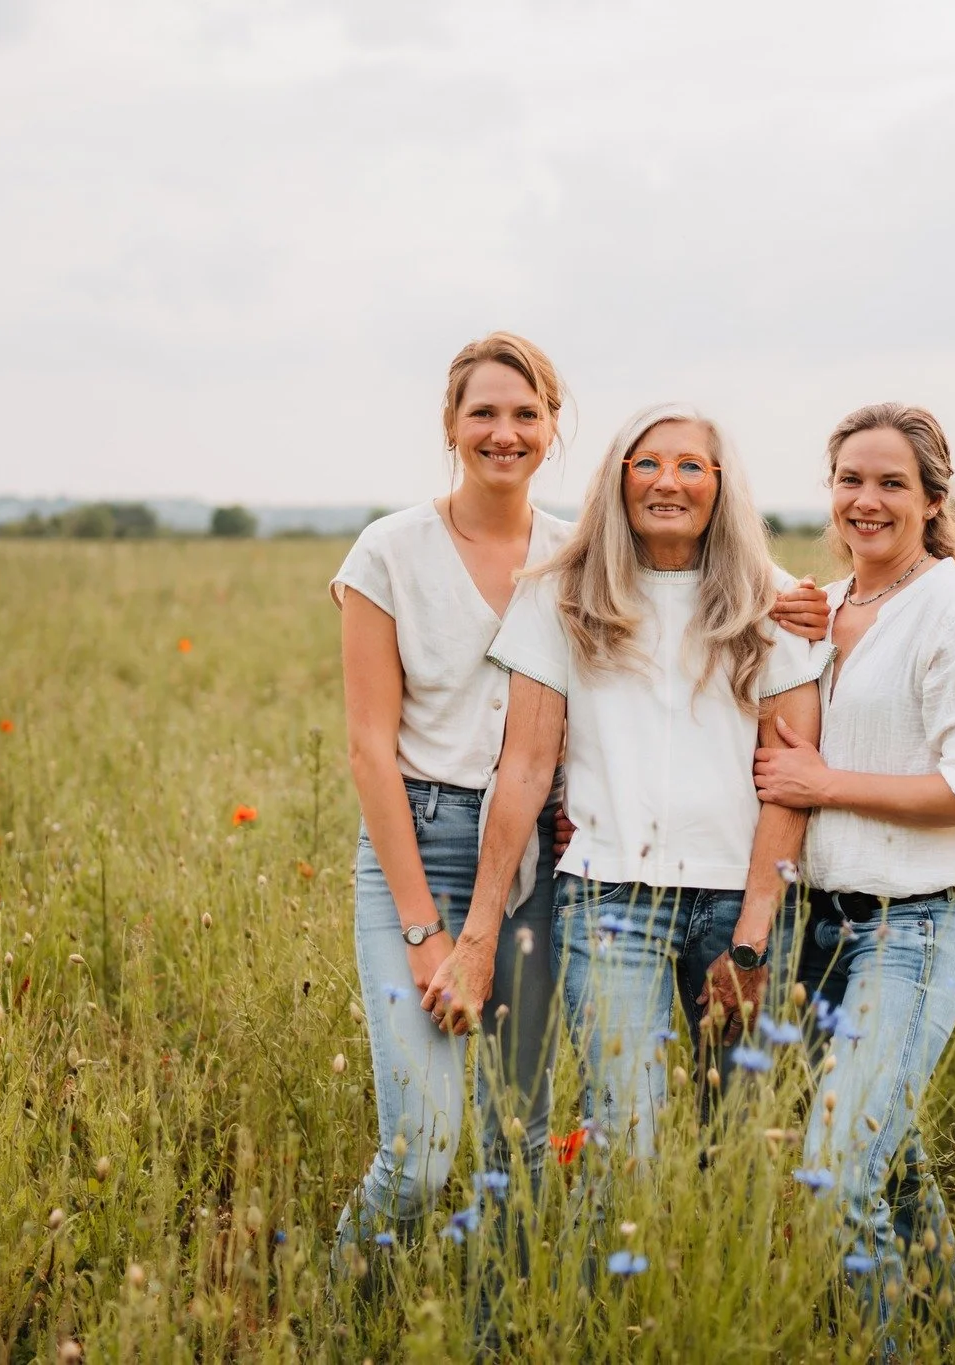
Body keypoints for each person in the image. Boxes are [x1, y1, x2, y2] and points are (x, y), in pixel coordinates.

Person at [424, 402, 829, 1167]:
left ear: (720, 485)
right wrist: (479, 934)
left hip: (739, 906)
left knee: (734, 1149)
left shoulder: (772, 601)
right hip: (610, 905)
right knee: (629, 1145)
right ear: (617, 481)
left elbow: (790, 783)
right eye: (645, 464)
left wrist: (749, 946)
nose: (665, 482)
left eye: (688, 466)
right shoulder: (565, 594)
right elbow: (525, 766)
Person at [753, 402, 955, 1322]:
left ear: (933, 497)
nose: (867, 501)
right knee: (892, 1175)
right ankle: (947, 1334)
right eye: (851, 481)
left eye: (891, 483)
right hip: (819, 932)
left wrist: (826, 782)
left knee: (834, 1173)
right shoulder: (825, 608)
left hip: (913, 925)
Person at [330, 331, 571, 1245]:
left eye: (525, 413)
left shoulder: (579, 551)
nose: (503, 432)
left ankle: (498, 1328)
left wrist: (805, 604)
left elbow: (702, 588)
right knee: (423, 1152)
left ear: (551, 426)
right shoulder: (388, 551)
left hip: (538, 858)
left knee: (528, 1142)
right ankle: (325, 1310)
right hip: (419, 839)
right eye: (484, 413)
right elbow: (368, 751)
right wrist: (426, 930)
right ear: (450, 424)